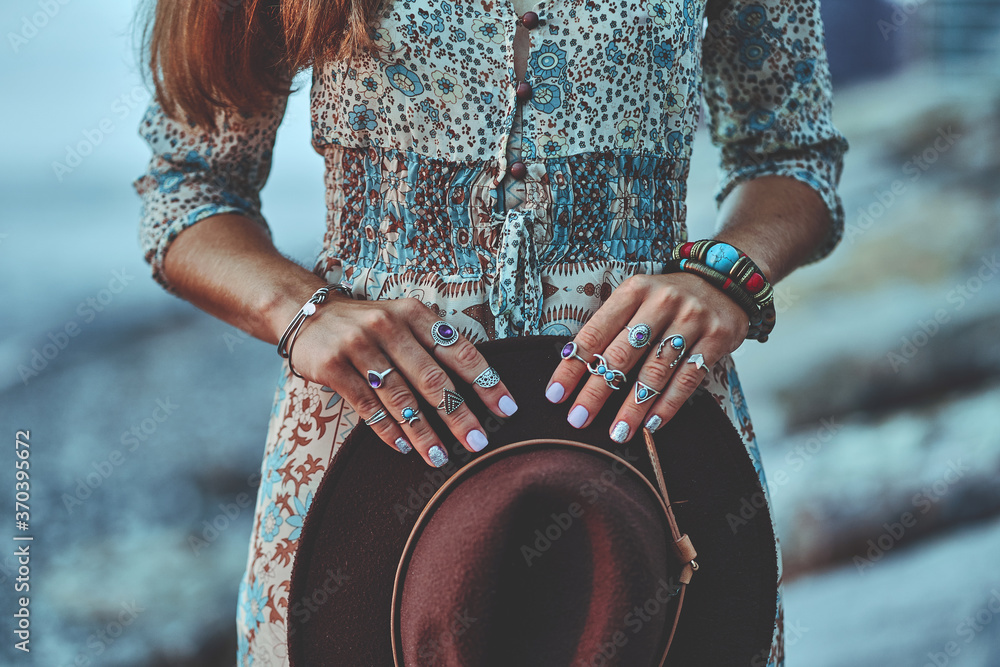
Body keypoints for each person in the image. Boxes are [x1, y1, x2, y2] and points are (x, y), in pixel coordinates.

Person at [133, 0, 848, 664]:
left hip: (655, 441)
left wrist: (727, 275)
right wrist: (301, 309)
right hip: (370, 447)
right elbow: (190, 188)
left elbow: (790, 157)